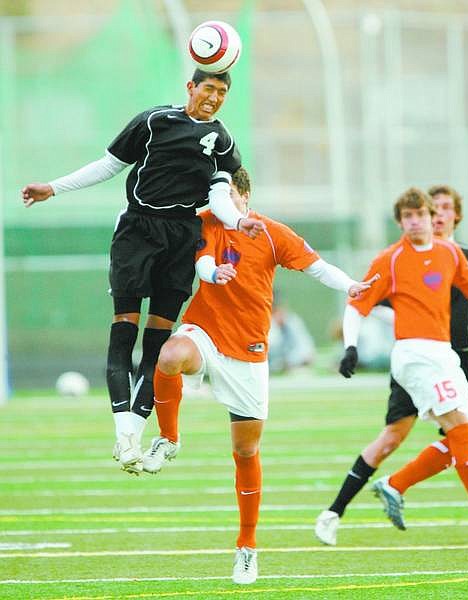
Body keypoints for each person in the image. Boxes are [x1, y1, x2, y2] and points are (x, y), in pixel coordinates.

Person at [139, 167, 378, 584]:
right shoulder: (210, 221)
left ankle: (247, 546)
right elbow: (204, 262)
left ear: (246, 197)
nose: (224, 203)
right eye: (220, 196)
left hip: (249, 352)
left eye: (231, 195)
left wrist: (351, 286)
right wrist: (214, 274)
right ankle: (168, 438)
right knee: (171, 354)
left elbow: (316, 266)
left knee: (246, 452)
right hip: (206, 334)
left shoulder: (271, 233)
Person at [21, 69, 264, 474]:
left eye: (222, 92)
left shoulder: (222, 141)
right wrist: (53, 187)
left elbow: (220, 196)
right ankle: (124, 435)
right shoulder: (153, 121)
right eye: (208, 88)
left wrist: (238, 222)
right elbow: (108, 166)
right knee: (124, 332)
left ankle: (131, 437)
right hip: (137, 231)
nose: (214, 97)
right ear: (191, 87)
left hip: (182, 237)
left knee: (157, 346)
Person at [315, 184, 468, 545]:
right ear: (400, 222)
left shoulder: (451, 254)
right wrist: (351, 347)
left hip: (446, 355)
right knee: (457, 432)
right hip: (414, 356)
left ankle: (395, 483)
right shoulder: (389, 259)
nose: (417, 221)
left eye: (421, 214)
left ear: (432, 217)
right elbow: (358, 303)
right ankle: (359, 499)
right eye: (408, 216)